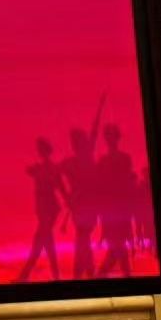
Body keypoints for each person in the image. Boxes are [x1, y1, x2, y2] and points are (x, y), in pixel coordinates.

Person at [61, 95, 105, 279]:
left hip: (84, 204)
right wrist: (68, 196)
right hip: (84, 204)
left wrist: (67, 196)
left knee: (82, 237)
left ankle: (83, 271)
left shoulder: (74, 161)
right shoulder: (76, 160)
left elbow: (94, 130)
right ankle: (85, 271)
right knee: (83, 237)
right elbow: (94, 131)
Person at [16, 137, 65, 281]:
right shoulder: (44, 168)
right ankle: (55, 276)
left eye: (40, 149)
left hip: (48, 208)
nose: (38, 151)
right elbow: (60, 187)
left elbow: (60, 187)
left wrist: (70, 201)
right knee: (46, 242)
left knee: (39, 242)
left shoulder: (47, 169)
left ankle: (25, 275)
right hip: (45, 208)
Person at [96, 124, 136, 277]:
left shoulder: (123, 159)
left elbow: (127, 185)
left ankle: (104, 273)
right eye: (108, 136)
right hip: (111, 208)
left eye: (112, 136)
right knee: (117, 246)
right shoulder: (104, 161)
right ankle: (122, 274)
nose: (110, 140)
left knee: (117, 246)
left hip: (119, 207)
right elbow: (100, 187)